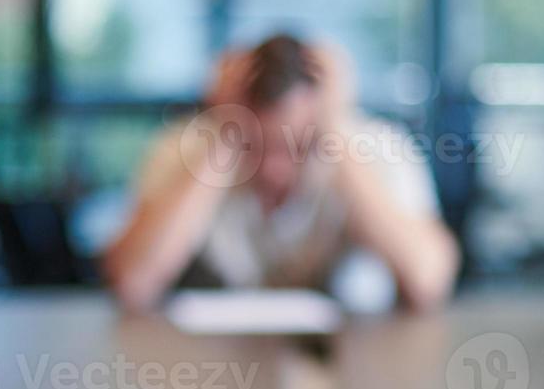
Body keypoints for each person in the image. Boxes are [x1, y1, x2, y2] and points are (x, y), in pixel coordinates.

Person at [102, 34, 460, 312]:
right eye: (255, 146)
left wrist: (333, 135)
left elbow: (428, 282)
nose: (274, 169)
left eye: (297, 147)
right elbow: (133, 283)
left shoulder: (375, 147)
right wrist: (225, 139)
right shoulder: (189, 147)